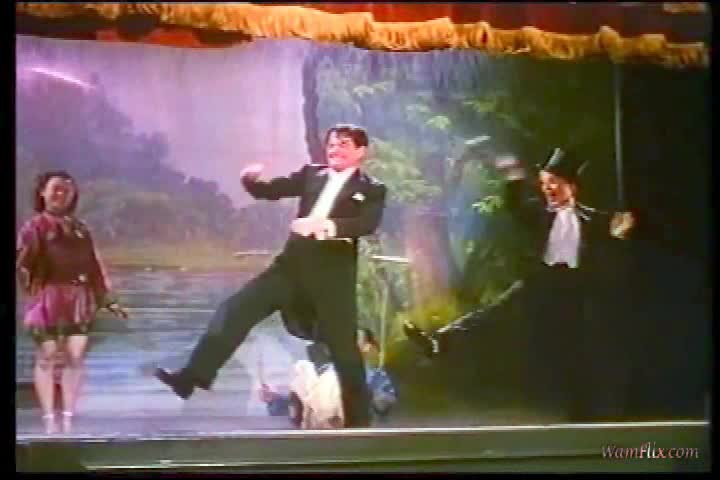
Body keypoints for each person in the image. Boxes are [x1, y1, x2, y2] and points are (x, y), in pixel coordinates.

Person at [155, 124, 387, 428]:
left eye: (343, 144)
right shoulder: (312, 175)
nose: (335, 150)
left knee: (343, 349)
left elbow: (366, 223)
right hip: (290, 268)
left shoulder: (371, 188)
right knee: (235, 309)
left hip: (332, 276)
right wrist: (251, 182)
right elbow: (272, 190)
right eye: (331, 144)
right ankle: (192, 377)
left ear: (360, 151)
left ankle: (359, 422)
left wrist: (326, 226)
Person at [404, 148, 636, 422]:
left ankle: (584, 411)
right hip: (541, 281)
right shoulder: (538, 214)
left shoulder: (594, 219)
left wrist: (624, 227)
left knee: (578, 347)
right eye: (544, 183)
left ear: (572, 187)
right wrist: (513, 176)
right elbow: (515, 205)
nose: (548, 188)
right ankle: (439, 342)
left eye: (554, 183)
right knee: (493, 314)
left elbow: (619, 231)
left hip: (575, 288)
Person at [16, 171, 128, 434]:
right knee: (47, 356)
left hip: (78, 299)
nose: (61, 194)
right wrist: (30, 292)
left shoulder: (81, 229)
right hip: (46, 297)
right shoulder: (34, 227)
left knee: (75, 356)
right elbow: (22, 264)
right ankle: (48, 418)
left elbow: (94, 267)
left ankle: (67, 416)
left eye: (67, 190)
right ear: (43, 193)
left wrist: (108, 300)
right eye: (55, 189)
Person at [260, 328, 397, 428]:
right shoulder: (320, 373)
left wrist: (359, 397)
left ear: (366, 347)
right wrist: (274, 400)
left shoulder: (376, 377)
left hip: (358, 440)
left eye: (354, 340)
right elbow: (299, 406)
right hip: (322, 442)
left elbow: (384, 405)